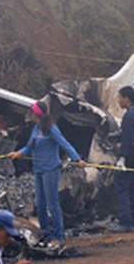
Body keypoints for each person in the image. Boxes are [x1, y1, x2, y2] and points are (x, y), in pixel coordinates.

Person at [7, 101, 86, 245]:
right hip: (38, 170)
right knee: (40, 203)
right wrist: (18, 154)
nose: (30, 115)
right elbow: (29, 146)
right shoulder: (36, 129)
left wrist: (77, 159)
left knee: (52, 203)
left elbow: (64, 143)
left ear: (37, 114)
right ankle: (44, 233)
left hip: (51, 170)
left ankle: (58, 236)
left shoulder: (51, 128)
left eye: (32, 112)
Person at [109, 86, 134, 233]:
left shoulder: (130, 116)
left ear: (127, 99)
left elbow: (128, 139)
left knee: (122, 188)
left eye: (120, 98)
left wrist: (122, 157)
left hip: (130, 156)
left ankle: (125, 222)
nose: (118, 101)